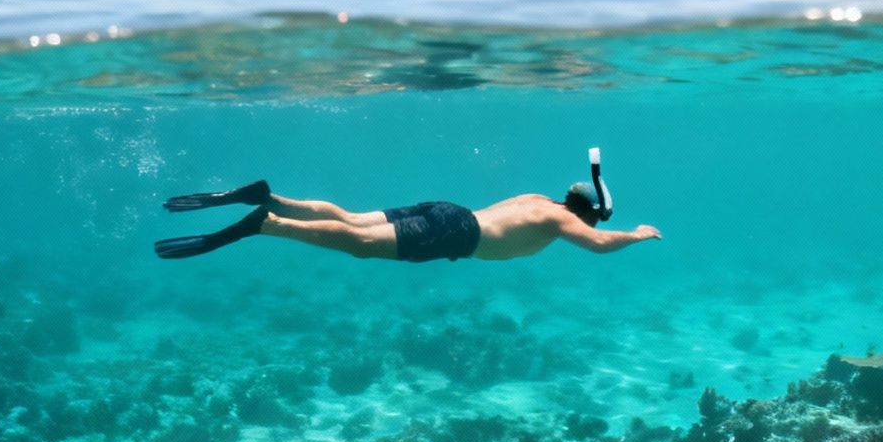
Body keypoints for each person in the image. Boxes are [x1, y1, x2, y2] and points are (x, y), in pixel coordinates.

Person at [154, 149, 660, 262]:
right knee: (357, 244)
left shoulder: (538, 198)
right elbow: (598, 245)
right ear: (587, 210)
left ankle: (272, 196)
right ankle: (268, 223)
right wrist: (635, 234)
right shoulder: (559, 218)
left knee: (350, 217)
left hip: (449, 211)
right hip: (457, 235)